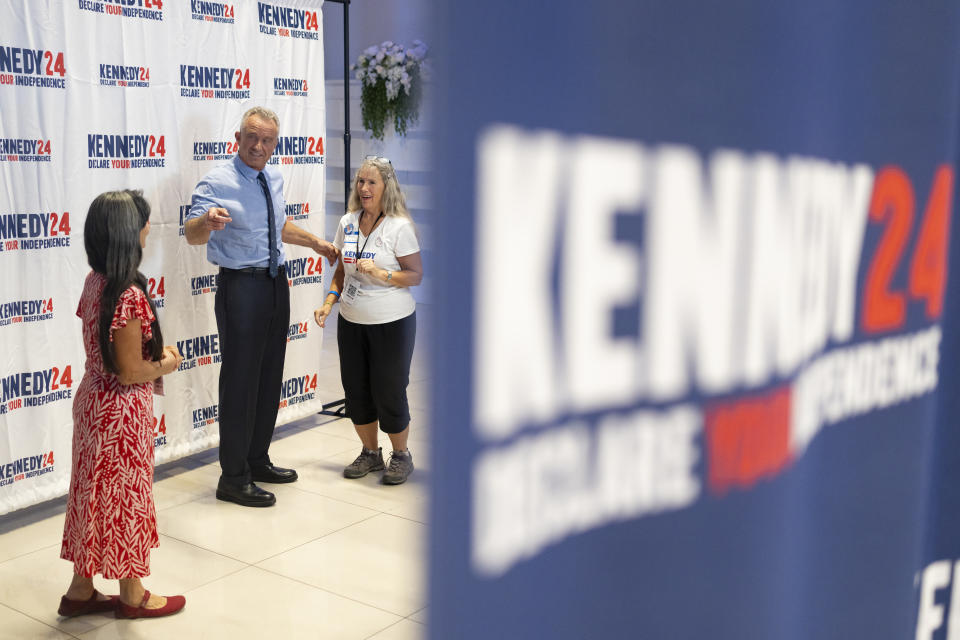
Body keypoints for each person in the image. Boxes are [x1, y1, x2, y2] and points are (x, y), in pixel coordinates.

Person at [185, 106, 338, 507]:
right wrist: (208, 222)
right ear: (237, 138)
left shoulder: (273, 175)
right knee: (240, 381)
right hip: (241, 287)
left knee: (269, 376)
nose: (258, 145)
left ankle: (256, 458)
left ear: (275, 143)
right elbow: (190, 231)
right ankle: (233, 477)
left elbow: (277, 226)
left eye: (267, 139)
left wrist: (316, 243)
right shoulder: (218, 180)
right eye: (251, 137)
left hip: (275, 283)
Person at [59, 190, 186, 619]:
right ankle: (133, 595)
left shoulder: (95, 282)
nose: (149, 227)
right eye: (142, 221)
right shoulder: (128, 294)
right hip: (121, 411)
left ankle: (81, 589)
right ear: (127, 233)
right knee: (126, 498)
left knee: (91, 495)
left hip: (92, 402)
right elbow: (130, 371)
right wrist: (167, 361)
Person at [314, 156, 423, 485]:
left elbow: (415, 275)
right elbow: (340, 272)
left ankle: (401, 455)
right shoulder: (348, 222)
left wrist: (383, 273)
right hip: (351, 321)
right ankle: (370, 453)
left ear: (386, 187)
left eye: (371, 182)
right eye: (360, 181)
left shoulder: (399, 226)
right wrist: (329, 302)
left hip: (392, 322)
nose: (363, 188)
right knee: (357, 391)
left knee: (389, 390)